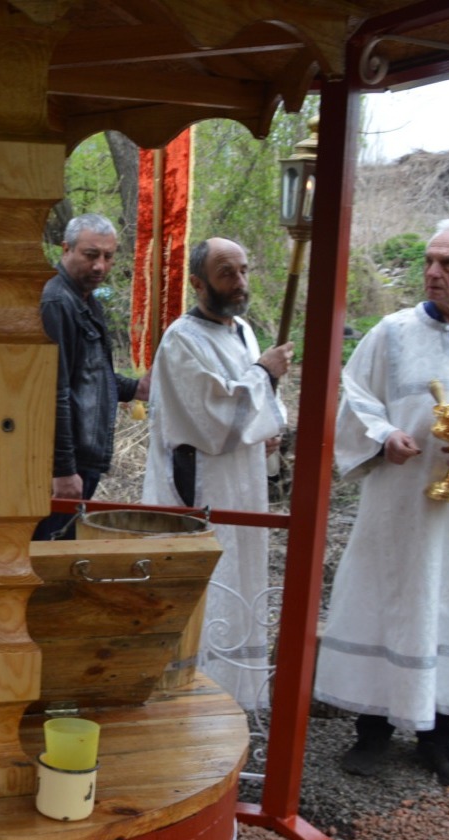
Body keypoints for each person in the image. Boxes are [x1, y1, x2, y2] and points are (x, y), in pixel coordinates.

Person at [315, 218, 449, 792]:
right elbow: (353, 399)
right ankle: (372, 728)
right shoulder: (391, 332)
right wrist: (383, 436)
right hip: (398, 503)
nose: (433, 272)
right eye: (430, 260)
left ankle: (440, 734)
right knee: (389, 597)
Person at [142, 238, 292, 710]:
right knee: (210, 587)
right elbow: (210, 420)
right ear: (197, 282)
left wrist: (271, 427)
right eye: (227, 273)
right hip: (202, 487)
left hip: (243, 485)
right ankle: (195, 697)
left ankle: (235, 697)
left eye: (244, 270)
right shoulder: (182, 339)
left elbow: (255, 409)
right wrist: (264, 376)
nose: (240, 283)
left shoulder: (243, 331)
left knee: (242, 577)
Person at [35, 213, 150, 541]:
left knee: (65, 547)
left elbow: (91, 377)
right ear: (66, 249)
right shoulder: (56, 302)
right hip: (64, 463)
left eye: (108, 257)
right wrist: (63, 469)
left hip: (84, 457)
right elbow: (53, 391)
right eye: (90, 255)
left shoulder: (85, 300)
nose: (100, 266)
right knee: (49, 550)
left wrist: (136, 388)